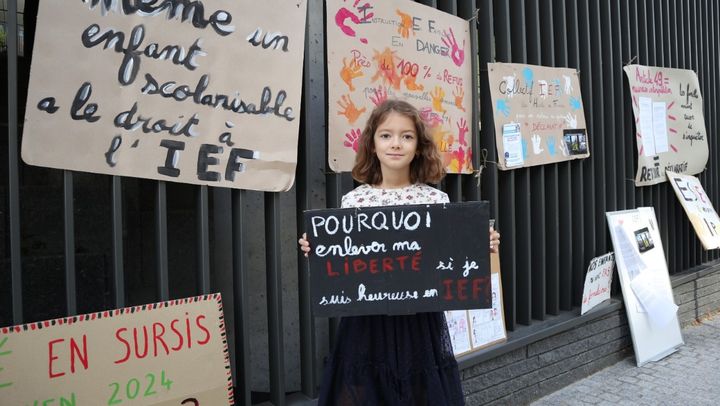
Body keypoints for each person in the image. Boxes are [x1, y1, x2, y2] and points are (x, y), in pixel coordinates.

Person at [299, 99, 500, 405]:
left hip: (419, 321)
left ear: (419, 146)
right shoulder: (353, 202)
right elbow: (343, 261)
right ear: (372, 143)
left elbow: (451, 258)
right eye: (386, 135)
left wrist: (481, 245)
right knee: (363, 391)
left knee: (419, 393)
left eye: (406, 136)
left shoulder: (435, 200)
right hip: (365, 322)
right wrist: (317, 248)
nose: (396, 144)